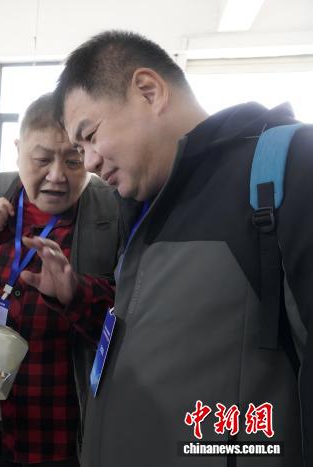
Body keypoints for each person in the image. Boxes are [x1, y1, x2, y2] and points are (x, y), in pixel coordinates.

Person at [48, 30, 313, 466]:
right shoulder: (141, 208)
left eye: (90, 135)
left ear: (148, 91)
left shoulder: (289, 167)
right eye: (80, 148)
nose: (89, 161)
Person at [0, 93, 124, 466]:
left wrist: (74, 293)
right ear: (18, 151)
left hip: (59, 432)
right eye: (41, 159)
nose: (57, 176)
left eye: (73, 160)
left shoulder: (111, 212)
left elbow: (130, 316)